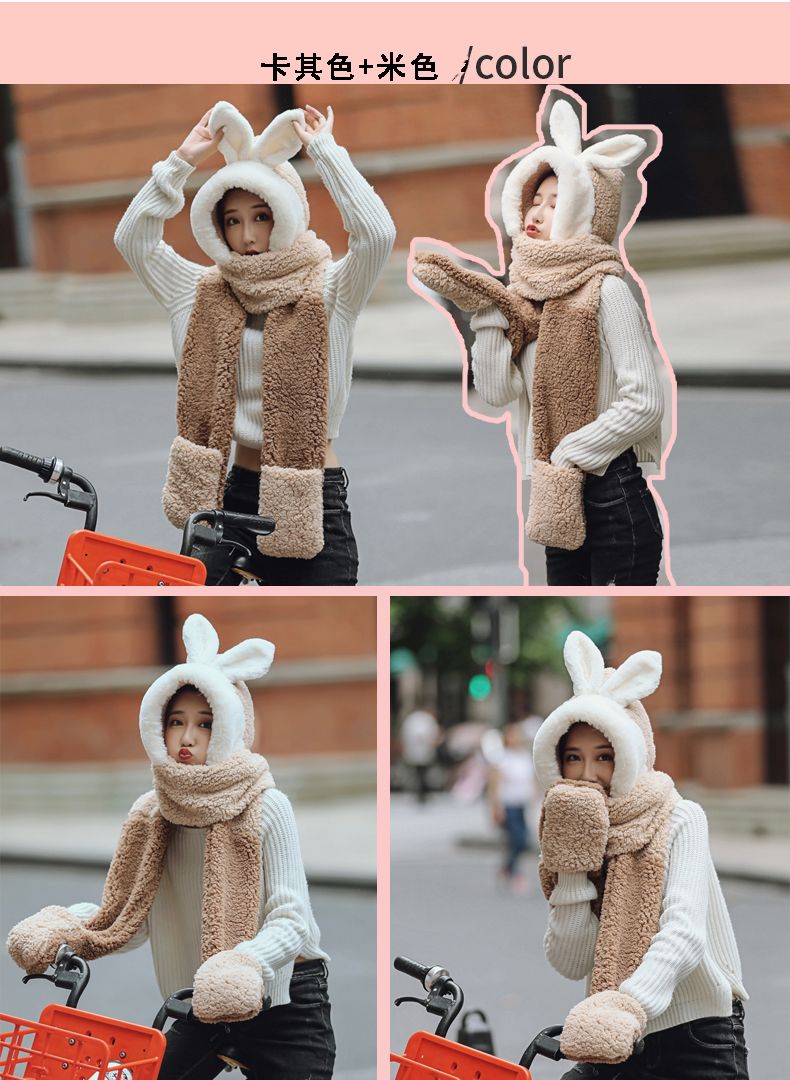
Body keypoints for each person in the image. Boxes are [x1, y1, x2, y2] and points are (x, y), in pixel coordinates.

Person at [7, 613, 335, 1080]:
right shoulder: (152, 813)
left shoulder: (266, 805)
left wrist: (245, 962)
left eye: (205, 724)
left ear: (230, 728)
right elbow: (127, 917)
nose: (187, 737)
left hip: (283, 999)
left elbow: (291, 919)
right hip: (200, 998)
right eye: (176, 721)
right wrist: (62, 929)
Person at [114, 101, 396, 585]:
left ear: (285, 215)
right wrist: (181, 161)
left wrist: (325, 153)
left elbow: (376, 234)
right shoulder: (198, 290)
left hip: (312, 498)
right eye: (232, 220)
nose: (247, 235)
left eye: (262, 216)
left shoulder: (330, 291)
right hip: (229, 496)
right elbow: (133, 239)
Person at [413, 89, 667, 586]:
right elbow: (497, 392)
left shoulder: (605, 288)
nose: (536, 211)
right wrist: (487, 312)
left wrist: (571, 453)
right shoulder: (524, 298)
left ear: (584, 213)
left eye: (556, 202)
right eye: (535, 198)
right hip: (557, 505)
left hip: (611, 493)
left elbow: (644, 401)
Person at [531, 630, 749, 1078]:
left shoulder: (680, 817)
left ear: (630, 755)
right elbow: (570, 961)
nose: (587, 774)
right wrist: (573, 866)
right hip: (611, 1036)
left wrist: (629, 1005)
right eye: (573, 757)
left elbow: (684, 934)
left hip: (694, 1035)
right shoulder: (574, 828)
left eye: (604, 756)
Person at [488, 721, 536, 890]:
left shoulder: (524, 756)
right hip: (508, 805)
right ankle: (514, 873)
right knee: (518, 839)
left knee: (522, 839)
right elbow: (494, 786)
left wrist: (534, 798)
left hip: (521, 803)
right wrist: (495, 807)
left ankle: (507, 868)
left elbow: (530, 780)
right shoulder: (501, 759)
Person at [400, 705, 440, 804]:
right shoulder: (426, 720)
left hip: (416, 752)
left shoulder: (412, 719)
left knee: (419, 774)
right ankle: (421, 793)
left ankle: (420, 793)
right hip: (422, 752)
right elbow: (432, 735)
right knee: (421, 774)